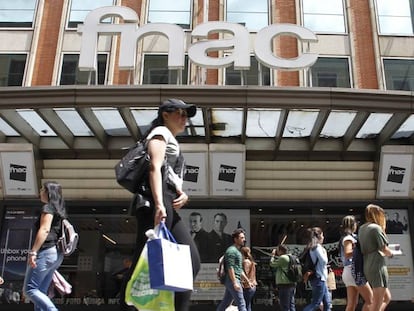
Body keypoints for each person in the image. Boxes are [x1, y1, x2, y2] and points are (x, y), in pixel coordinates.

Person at [119, 99, 201, 311]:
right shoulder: (160, 132)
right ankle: (127, 305)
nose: (185, 119)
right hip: (157, 201)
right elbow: (154, 168)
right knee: (143, 259)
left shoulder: (170, 137)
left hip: (167, 199)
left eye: (187, 115)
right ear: (165, 114)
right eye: (180, 114)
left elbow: (169, 174)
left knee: (190, 260)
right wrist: (159, 204)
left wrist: (182, 193)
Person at [23, 181, 67, 311]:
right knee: (40, 291)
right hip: (57, 255)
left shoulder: (48, 208)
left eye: (42, 189)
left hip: (46, 252)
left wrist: (33, 252)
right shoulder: (60, 210)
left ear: (48, 193)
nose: (40, 192)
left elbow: (44, 230)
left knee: (29, 290)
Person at [359, 204, 393, 311]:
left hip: (367, 264)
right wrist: (391, 253)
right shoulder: (376, 228)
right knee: (378, 303)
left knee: (386, 298)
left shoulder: (362, 228)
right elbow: (384, 249)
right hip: (377, 265)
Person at [339, 215, 373, 311]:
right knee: (371, 300)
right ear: (352, 225)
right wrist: (363, 251)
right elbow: (348, 253)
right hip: (355, 270)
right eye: (356, 223)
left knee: (352, 303)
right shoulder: (348, 238)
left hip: (348, 271)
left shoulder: (346, 237)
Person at [217, 228, 251, 311]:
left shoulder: (237, 252)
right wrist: (235, 282)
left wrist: (247, 280)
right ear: (235, 239)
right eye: (242, 238)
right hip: (233, 280)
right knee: (241, 303)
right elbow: (230, 267)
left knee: (225, 303)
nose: (244, 239)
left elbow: (238, 269)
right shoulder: (231, 251)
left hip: (233, 280)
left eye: (244, 237)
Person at [303, 227, 331, 311]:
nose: (323, 237)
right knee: (316, 303)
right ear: (318, 236)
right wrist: (324, 251)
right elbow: (324, 261)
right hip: (319, 278)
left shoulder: (312, 247)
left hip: (319, 278)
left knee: (327, 303)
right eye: (322, 235)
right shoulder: (317, 247)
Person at [269, 244, 296, 311]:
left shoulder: (283, 258)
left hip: (284, 284)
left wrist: (272, 255)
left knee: (284, 305)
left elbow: (272, 264)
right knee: (291, 304)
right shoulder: (291, 257)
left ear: (281, 251)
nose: (277, 252)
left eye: (278, 250)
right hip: (292, 284)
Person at [241, 246, 257, 311]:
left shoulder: (246, 262)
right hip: (252, 285)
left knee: (245, 305)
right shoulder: (251, 261)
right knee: (247, 305)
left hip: (247, 286)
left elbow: (245, 274)